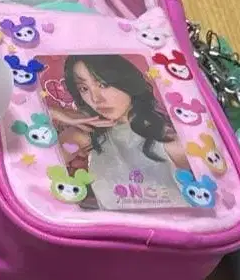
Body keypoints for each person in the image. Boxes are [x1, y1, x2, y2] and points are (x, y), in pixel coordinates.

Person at [47, 54, 190, 210]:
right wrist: (52, 112)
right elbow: (36, 173)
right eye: (84, 88)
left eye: (103, 84)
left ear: (126, 80)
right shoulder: (84, 136)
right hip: (108, 225)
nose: (96, 99)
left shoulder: (172, 142)